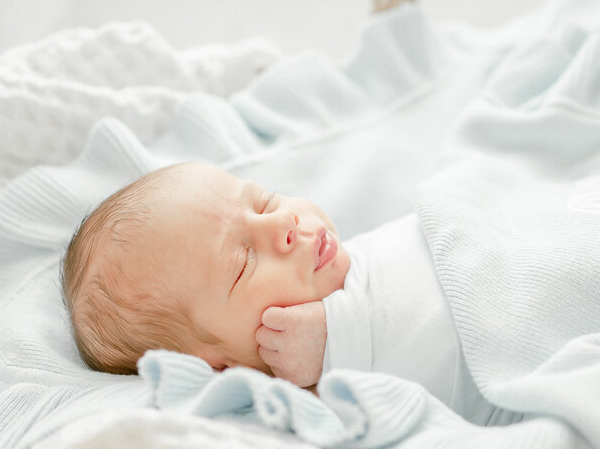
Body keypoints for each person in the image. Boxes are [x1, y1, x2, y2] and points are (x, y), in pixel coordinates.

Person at [62, 161, 477, 412]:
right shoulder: (313, 392)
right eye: (245, 262)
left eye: (264, 201)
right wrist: (332, 345)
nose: (283, 224)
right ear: (224, 368)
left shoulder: (356, 258)